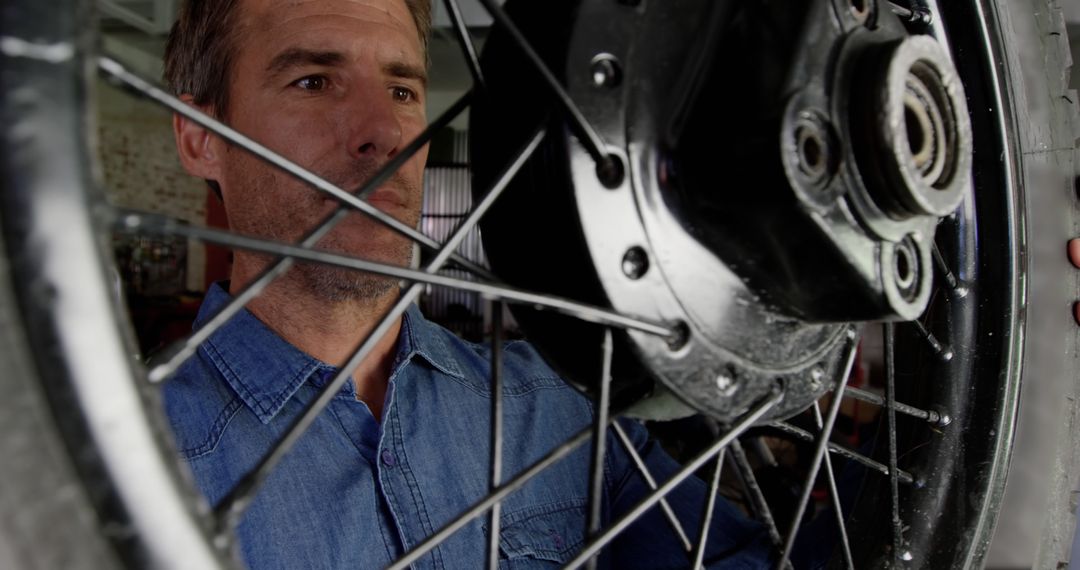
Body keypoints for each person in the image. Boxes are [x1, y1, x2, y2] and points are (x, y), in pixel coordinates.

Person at [161, 0, 771, 568]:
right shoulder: (125, 467)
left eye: (402, 90)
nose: (386, 132)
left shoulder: (560, 405)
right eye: (314, 82)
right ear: (199, 138)